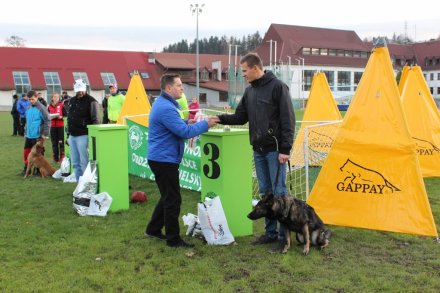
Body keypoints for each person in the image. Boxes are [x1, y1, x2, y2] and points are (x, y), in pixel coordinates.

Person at [211, 53, 296, 253]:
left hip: (275, 151)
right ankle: (270, 234)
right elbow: (240, 117)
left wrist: (285, 149)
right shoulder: (249, 92)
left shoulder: (278, 87)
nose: (243, 75)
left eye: (244, 71)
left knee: (279, 194)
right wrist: (219, 118)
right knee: (265, 193)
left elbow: (288, 119)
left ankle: (284, 239)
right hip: (258, 150)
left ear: (256, 68)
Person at [145, 73, 217, 248]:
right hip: (164, 159)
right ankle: (173, 239)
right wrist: (205, 124)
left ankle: (153, 229)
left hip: (161, 157)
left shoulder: (164, 105)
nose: (182, 89)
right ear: (168, 88)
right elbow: (184, 132)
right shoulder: (166, 108)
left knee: (167, 196)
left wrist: (187, 121)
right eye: (179, 86)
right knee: (173, 199)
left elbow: (175, 125)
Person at [67, 79, 101, 181]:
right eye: (78, 90)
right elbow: (70, 117)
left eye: (82, 90)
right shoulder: (72, 101)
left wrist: (93, 137)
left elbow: (96, 120)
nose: (80, 92)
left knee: (84, 162)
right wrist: (68, 134)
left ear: (85, 89)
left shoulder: (92, 101)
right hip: (72, 135)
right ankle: (79, 184)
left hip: (84, 135)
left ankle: (86, 184)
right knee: (75, 162)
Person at [21, 90, 50, 175]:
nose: (31, 101)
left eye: (33, 99)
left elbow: (47, 121)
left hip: (38, 135)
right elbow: (28, 121)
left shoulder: (42, 108)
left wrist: (45, 134)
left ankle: (39, 171)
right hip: (29, 135)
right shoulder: (28, 107)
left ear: (37, 97)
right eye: (29, 99)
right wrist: (26, 132)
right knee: (26, 152)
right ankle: (26, 169)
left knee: (38, 155)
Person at [47, 92, 66, 163]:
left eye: (57, 97)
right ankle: (55, 158)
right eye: (54, 97)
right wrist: (50, 117)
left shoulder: (62, 105)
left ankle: (62, 158)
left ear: (59, 98)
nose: (56, 98)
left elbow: (66, 116)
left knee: (61, 143)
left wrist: (61, 117)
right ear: (52, 98)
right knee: (54, 143)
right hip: (53, 127)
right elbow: (47, 116)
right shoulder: (49, 106)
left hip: (60, 126)